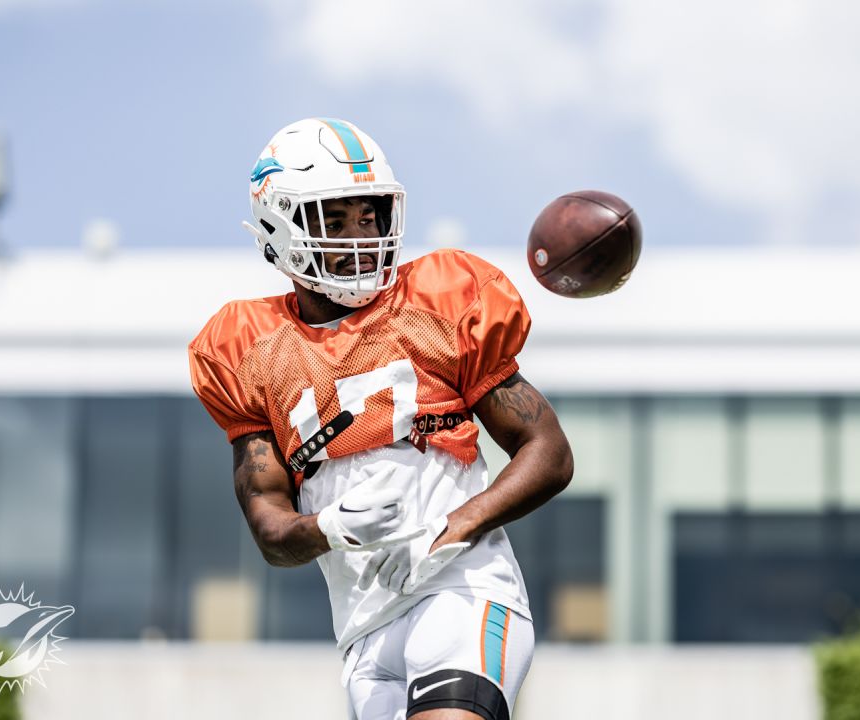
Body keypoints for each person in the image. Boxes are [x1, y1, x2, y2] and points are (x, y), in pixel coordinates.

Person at [188, 117, 573, 720]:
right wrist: (330, 527)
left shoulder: (440, 303)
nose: (360, 237)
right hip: (363, 631)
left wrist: (450, 529)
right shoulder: (247, 348)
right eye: (334, 221)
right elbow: (270, 530)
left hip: (463, 590)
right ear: (278, 229)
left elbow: (549, 451)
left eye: (368, 217)